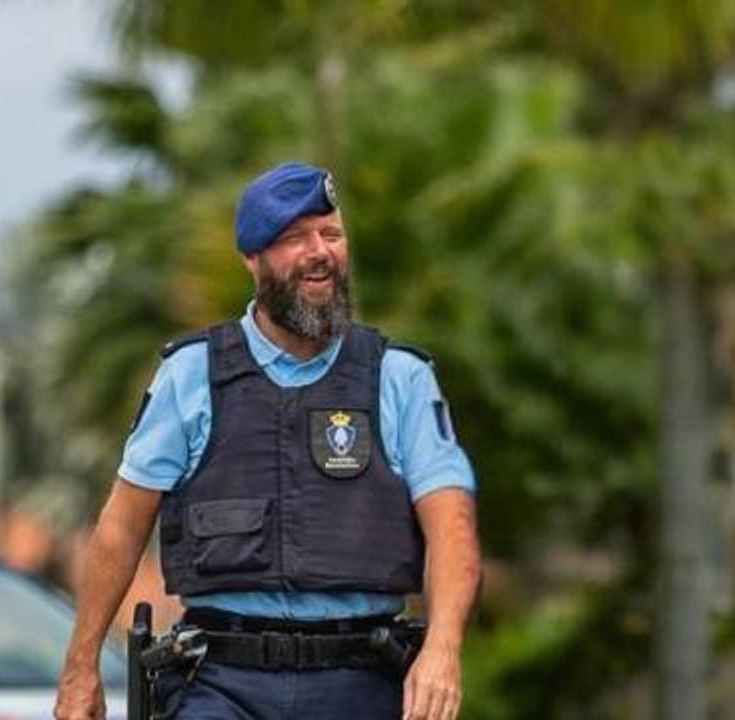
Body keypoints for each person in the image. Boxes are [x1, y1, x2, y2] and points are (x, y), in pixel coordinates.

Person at [54, 162, 481, 720]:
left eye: (331, 234)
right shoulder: (193, 374)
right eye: (294, 239)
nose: (319, 252)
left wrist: (443, 652)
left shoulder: (399, 378)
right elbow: (122, 526)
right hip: (222, 683)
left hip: (362, 682)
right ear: (251, 259)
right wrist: (81, 666)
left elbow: (452, 528)